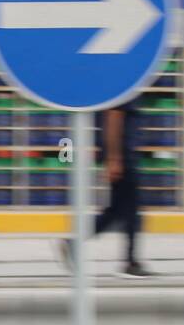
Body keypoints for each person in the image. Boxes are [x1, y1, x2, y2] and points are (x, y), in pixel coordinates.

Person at [58, 97, 151, 278]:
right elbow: (113, 119)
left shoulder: (123, 88)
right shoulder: (123, 90)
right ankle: (130, 262)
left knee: (118, 210)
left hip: (124, 156)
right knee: (129, 210)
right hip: (124, 158)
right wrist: (114, 159)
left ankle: (75, 243)